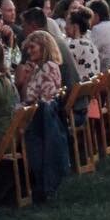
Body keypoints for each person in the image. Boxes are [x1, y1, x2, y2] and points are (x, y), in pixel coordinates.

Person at [16, 28, 70, 201]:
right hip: (32, 115)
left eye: (33, 47)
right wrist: (28, 76)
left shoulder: (49, 67)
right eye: (28, 49)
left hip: (36, 121)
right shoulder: (39, 68)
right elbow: (26, 95)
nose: (29, 51)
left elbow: (44, 101)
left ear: (44, 47)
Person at [64, 6, 101, 82]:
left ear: (75, 27)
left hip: (80, 89)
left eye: (67, 24)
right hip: (91, 88)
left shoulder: (75, 45)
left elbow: (64, 66)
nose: (65, 27)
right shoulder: (90, 43)